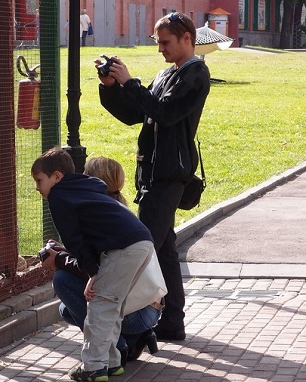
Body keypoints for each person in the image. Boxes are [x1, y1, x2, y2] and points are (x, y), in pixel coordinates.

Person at [95, 12, 211, 342]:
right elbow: (136, 114)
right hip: (153, 171)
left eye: (166, 42)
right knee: (164, 250)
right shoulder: (165, 74)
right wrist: (112, 88)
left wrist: (131, 82)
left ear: (187, 38)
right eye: (157, 42)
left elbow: (166, 113)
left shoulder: (196, 73)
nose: (160, 48)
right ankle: (172, 322)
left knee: (141, 248)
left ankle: (135, 323)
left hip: (169, 174)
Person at [31, 148, 154, 381]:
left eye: (39, 181)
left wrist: (92, 272)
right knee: (113, 307)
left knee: (99, 308)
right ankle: (112, 362)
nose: (38, 188)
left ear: (56, 177)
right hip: (141, 242)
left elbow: (74, 239)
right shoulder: (86, 187)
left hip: (123, 248)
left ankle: (93, 368)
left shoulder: (59, 196)